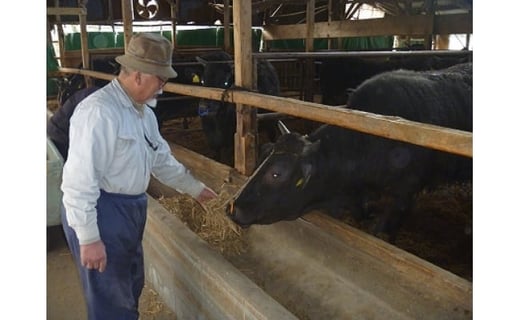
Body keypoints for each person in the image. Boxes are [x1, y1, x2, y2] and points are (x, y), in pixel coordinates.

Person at [60, 32, 218, 320]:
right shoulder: (99, 113)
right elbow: (78, 181)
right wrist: (89, 237)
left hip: (130, 208)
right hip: (102, 210)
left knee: (130, 284)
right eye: (161, 79)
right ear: (140, 76)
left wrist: (196, 189)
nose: (163, 86)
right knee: (110, 298)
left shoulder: (143, 113)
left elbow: (160, 159)